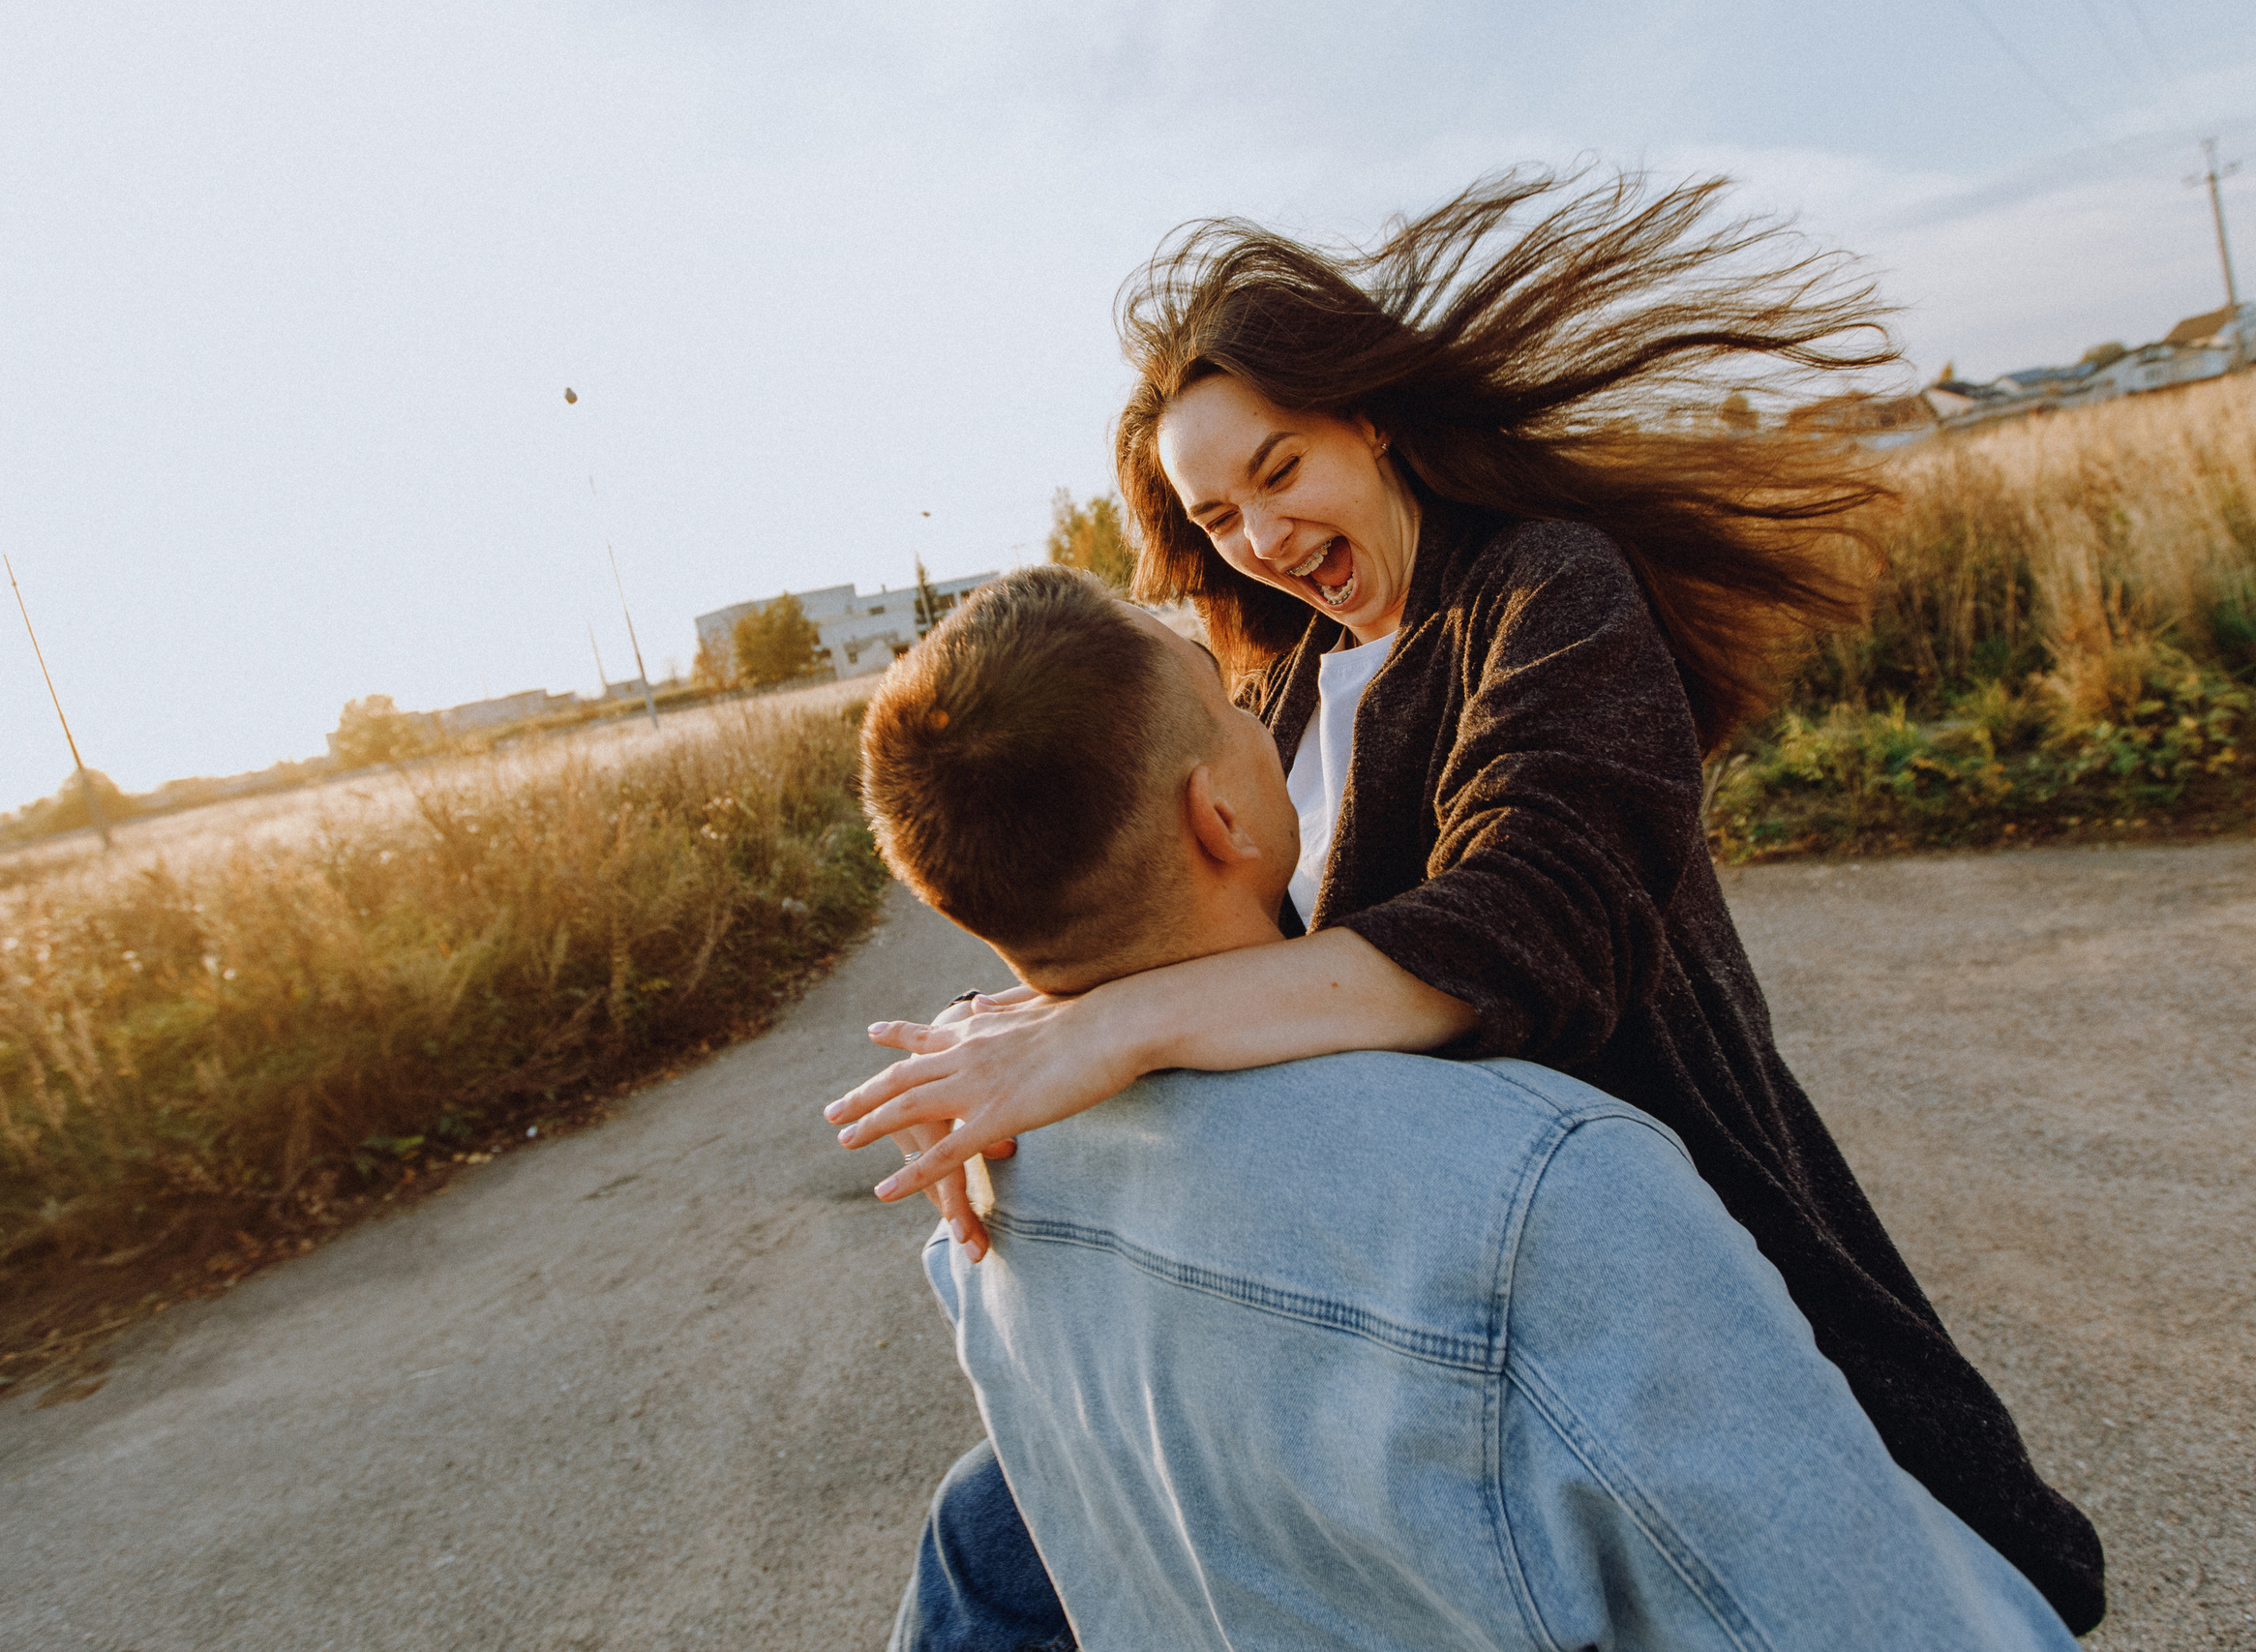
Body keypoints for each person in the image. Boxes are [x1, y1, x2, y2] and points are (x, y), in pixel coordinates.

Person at [827, 169, 2103, 1632]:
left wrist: (1118, 1026)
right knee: (995, 1525)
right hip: (1400, 1260)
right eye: (1218, 511)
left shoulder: (1545, 591)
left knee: (1881, 1568)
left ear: (1370, 417)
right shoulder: (1289, 689)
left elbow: (1536, 910)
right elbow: (1183, 909)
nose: (1259, 534)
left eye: (1281, 468)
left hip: (1625, 1232)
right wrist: (1033, 1027)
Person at [851, 565, 2077, 1651]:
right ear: (1219, 815)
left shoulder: (995, 1167)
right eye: (1228, 707)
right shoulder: (1543, 1193)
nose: (1263, 712)